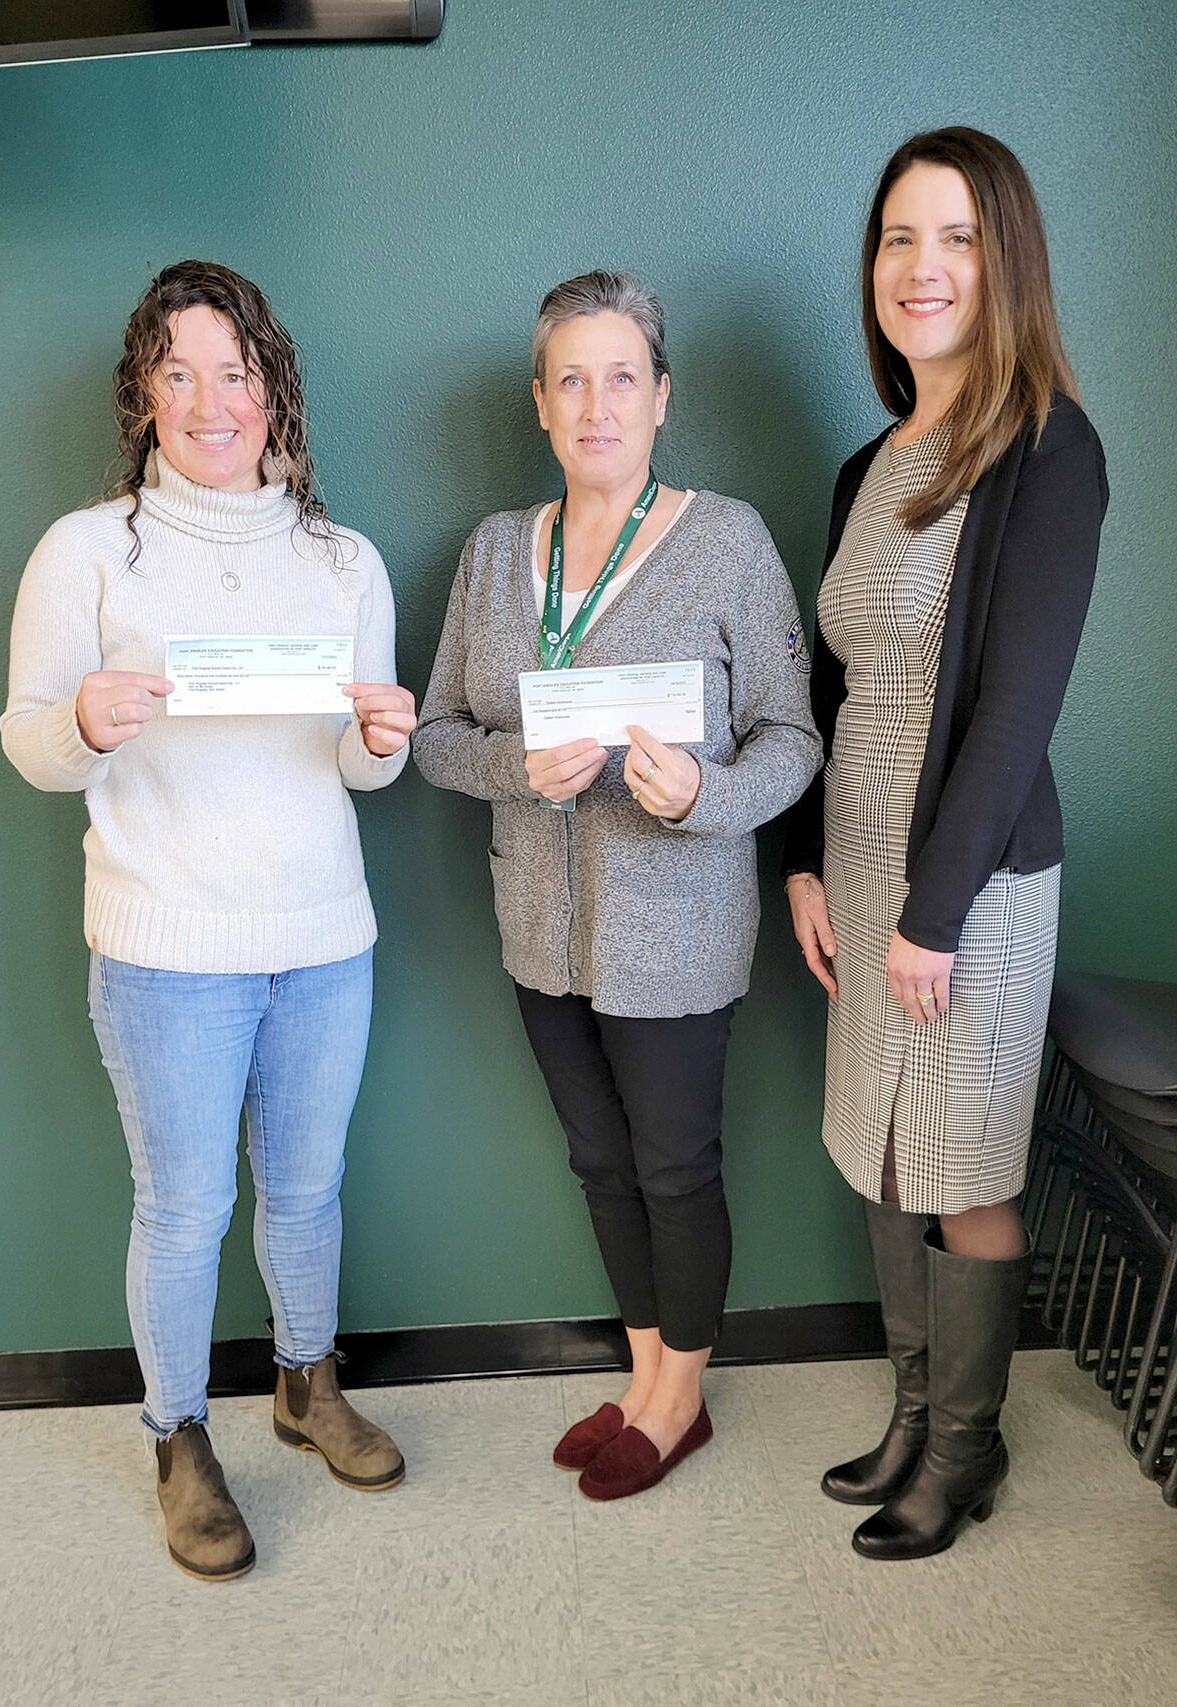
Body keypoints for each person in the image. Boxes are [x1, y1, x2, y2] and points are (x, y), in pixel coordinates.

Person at [1, 261, 417, 1580]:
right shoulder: (86, 549)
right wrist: (79, 723)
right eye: (178, 372)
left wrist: (384, 738)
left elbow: (362, 765)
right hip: (165, 944)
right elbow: (27, 735)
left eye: (233, 370)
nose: (209, 399)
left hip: (323, 938)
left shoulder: (342, 558)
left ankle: (306, 1383)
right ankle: (177, 1435)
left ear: (272, 388)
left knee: (306, 1187)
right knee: (183, 1209)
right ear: (144, 396)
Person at [414, 270, 821, 1501]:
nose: (597, 405)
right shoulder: (494, 554)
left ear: (660, 398)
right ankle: (645, 1373)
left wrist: (704, 797)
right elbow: (435, 733)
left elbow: (793, 739)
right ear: (540, 403)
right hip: (541, 931)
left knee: (674, 1167)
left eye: (621, 378)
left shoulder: (728, 541)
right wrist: (514, 768)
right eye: (571, 380)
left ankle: (679, 1398)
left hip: (678, 928)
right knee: (597, 1161)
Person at [783, 129, 1108, 1560]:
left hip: (966, 883)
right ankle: (914, 1414)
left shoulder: (1048, 448)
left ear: (1006, 263)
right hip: (856, 874)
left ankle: (965, 1449)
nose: (923, 268)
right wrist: (802, 862)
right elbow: (826, 686)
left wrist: (931, 910)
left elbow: (1018, 705)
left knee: (965, 1162)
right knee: (883, 1146)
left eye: (958, 238)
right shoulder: (865, 463)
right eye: (899, 239)